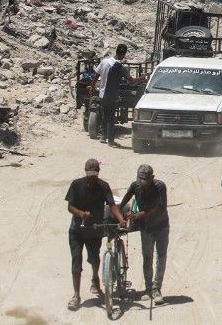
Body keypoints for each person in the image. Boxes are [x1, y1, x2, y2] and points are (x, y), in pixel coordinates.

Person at [66, 158, 125, 311]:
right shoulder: (76, 185)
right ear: (85, 172)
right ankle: (76, 295)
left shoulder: (103, 186)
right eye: (89, 175)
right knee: (76, 261)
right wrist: (81, 213)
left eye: (94, 175)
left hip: (95, 229)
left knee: (94, 258)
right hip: (77, 230)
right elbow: (70, 207)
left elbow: (112, 205)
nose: (92, 178)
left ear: (98, 173)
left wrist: (121, 219)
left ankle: (95, 278)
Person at [120, 164, 169, 305]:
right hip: (146, 228)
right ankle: (148, 289)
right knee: (147, 257)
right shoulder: (135, 186)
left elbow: (159, 206)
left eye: (146, 182)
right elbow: (125, 200)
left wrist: (140, 214)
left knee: (161, 256)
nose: (143, 185)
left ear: (152, 178)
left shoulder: (160, 186)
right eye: (140, 181)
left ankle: (156, 289)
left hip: (161, 227)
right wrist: (119, 213)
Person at [92, 43, 140, 146]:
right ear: (124, 54)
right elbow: (131, 81)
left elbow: (96, 76)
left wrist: (92, 88)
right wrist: (141, 78)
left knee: (105, 116)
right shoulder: (120, 67)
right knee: (110, 118)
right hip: (111, 95)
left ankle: (103, 137)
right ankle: (111, 141)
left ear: (116, 51)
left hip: (102, 94)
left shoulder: (104, 62)